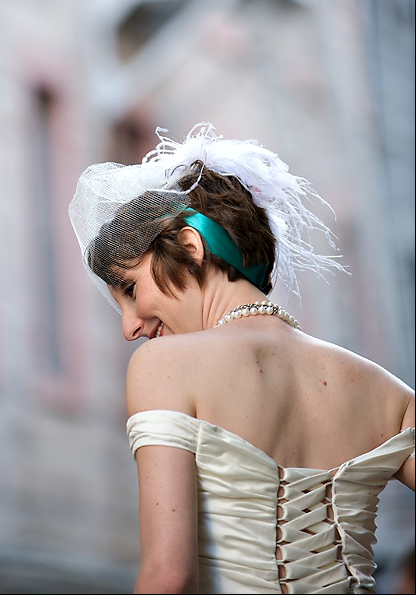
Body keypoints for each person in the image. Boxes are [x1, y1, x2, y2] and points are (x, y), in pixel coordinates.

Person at [68, 123, 415, 595]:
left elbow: (169, 578)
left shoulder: (165, 367)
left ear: (191, 248)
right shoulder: (387, 393)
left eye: (130, 289)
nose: (129, 326)